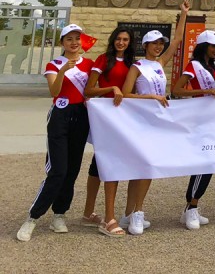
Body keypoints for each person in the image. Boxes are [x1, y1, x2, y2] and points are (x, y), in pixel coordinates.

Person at [16, 24, 95, 243]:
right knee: (57, 170)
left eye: (77, 38)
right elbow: (54, 91)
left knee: (71, 170)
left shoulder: (88, 64)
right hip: (60, 115)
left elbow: (93, 88)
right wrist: (63, 71)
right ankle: (33, 217)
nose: (74, 42)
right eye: (69, 39)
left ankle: (59, 214)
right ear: (63, 43)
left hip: (80, 116)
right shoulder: (55, 64)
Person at [119, 4, 186, 235]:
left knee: (145, 169)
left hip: (156, 122)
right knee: (142, 168)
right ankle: (136, 213)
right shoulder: (137, 66)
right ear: (145, 45)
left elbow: (178, 40)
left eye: (160, 44)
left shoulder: (159, 64)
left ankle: (131, 214)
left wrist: (184, 13)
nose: (158, 47)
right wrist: (152, 97)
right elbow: (126, 94)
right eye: (154, 43)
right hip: (140, 122)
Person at [170, 0, 215, 229]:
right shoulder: (194, 66)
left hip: (213, 118)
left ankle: (192, 207)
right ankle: (191, 207)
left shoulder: (211, 63)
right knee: (204, 163)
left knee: (209, 163)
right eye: (212, 46)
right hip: (199, 119)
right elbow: (176, 90)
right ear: (203, 47)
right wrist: (204, 90)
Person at [82, 26, 134, 237]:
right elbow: (89, 89)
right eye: (118, 39)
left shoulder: (132, 63)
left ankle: (88, 214)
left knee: (98, 163)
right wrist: (111, 89)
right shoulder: (103, 60)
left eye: (125, 40)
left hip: (123, 119)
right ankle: (109, 219)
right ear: (113, 40)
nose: (121, 43)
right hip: (104, 118)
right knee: (110, 162)